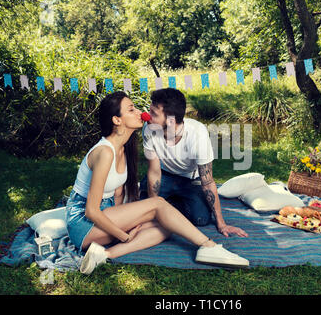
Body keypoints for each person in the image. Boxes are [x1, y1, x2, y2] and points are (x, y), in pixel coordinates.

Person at [65, 91, 249, 275]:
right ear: (117, 120)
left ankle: (103, 254)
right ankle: (208, 246)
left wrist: (127, 220)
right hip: (84, 223)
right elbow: (91, 210)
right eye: (131, 109)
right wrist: (123, 234)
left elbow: (118, 193)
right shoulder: (105, 152)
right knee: (159, 205)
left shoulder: (122, 148)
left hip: (107, 213)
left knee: (167, 226)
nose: (141, 113)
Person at [139, 88, 248, 238]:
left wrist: (221, 223)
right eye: (149, 110)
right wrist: (153, 207)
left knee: (201, 219)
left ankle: (170, 203)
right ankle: (166, 203)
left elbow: (208, 182)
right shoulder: (149, 128)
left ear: (171, 121)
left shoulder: (198, 134)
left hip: (190, 180)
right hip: (163, 175)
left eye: (154, 113)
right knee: (142, 208)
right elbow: (154, 171)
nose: (146, 116)